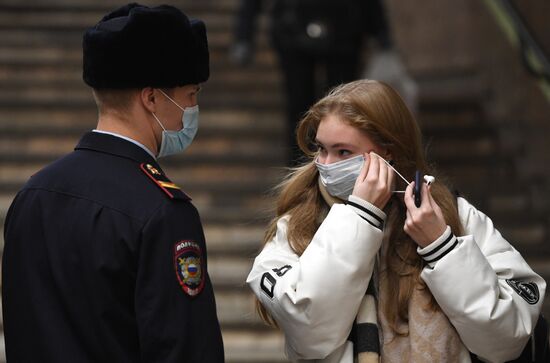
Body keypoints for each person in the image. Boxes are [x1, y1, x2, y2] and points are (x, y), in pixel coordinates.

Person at [246, 80, 546, 362]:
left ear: (387, 153)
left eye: (344, 152)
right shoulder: (298, 224)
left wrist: (441, 247)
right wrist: (360, 216)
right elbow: (310, 333)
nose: (326, 165)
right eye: (322, 148)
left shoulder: (452, 214)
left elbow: (505, 340)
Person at [1, 3, 224, 362]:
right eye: (191, 95)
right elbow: (185, 348)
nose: (193, 109)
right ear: (151, 97)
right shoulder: (161, 212)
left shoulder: (34, 193)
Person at [231, 0, 394, 166]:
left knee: (343, 104)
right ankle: (301, 166)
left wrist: (381, 32)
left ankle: (342, 160)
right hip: (294, 27)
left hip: (342, 29)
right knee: (299, 104)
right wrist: (244, 35)